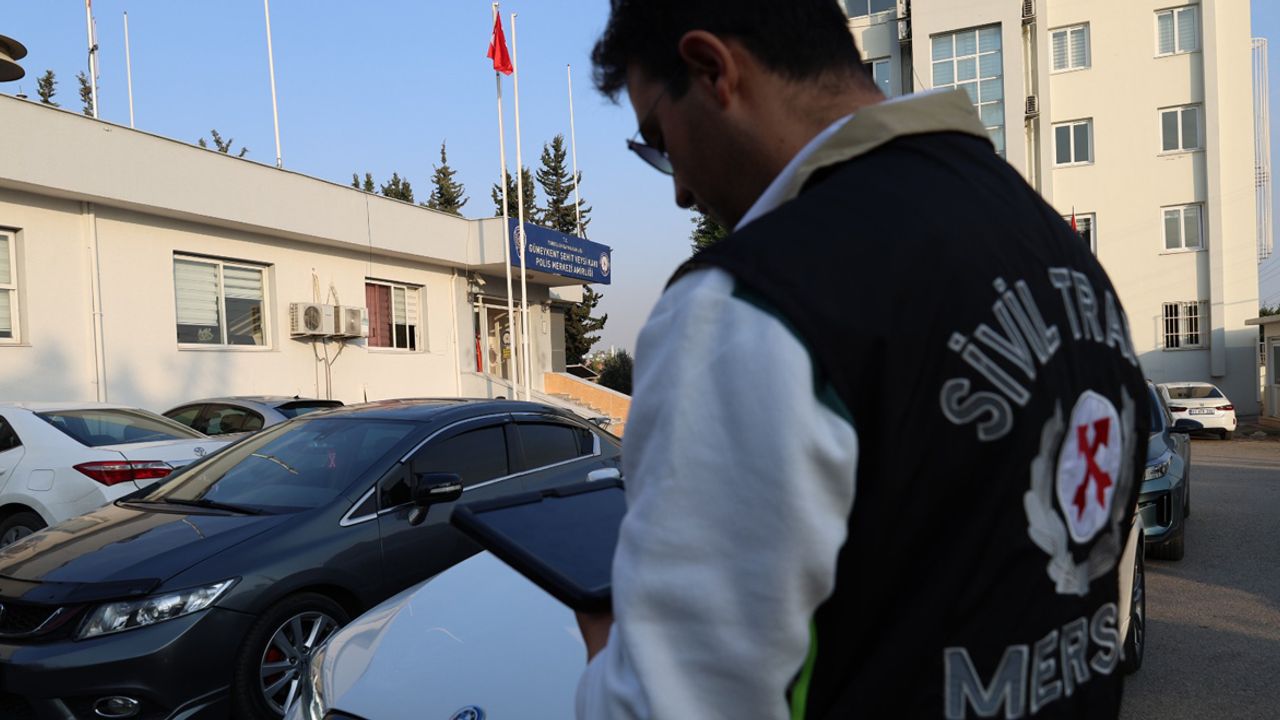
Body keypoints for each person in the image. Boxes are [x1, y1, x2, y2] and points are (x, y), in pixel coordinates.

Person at [576, 1, 1150, 718]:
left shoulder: (751, 303)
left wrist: (611, 656)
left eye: (661, 140)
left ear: (712, 69)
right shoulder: (1058, 249)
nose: (681, 190)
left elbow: (671, 705)